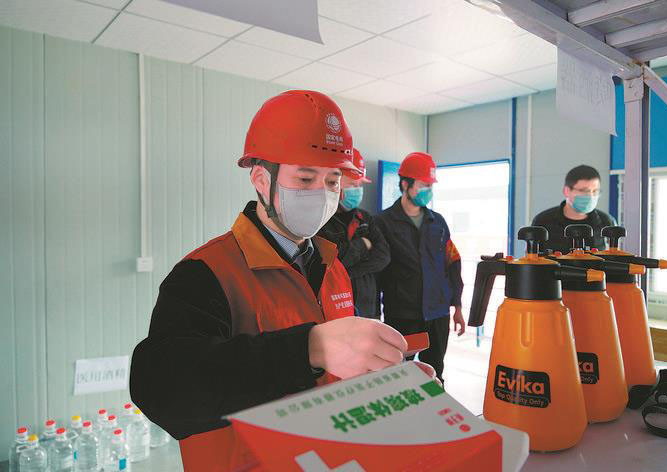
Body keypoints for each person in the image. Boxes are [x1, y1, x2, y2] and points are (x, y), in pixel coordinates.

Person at [129, 91, 428, 472]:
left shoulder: (333, 267)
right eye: (305, 177)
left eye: (332, 180)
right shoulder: (206, 272)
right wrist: (308, 349)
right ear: (261, 179)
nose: (322, 194)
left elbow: (335, 378)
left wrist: (382, 380)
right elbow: (164, 391)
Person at [376, 152, 465, 384]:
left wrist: (457, 305)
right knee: (397, 375)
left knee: (435, 374)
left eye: (430, 185)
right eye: (423, 185)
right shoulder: (383, 223)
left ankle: (435, 408)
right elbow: (376, 274)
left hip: (437, 314)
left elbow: (453, 264)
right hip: (402, 315)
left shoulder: (438, 222)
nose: (428, 190)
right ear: (405, 184)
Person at [317, 148, 390, 318]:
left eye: (360, 185)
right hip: (335, 311)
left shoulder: (365, 218)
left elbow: (383, 257)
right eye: (352, 185)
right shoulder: (320, 220)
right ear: (334, 182)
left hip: (368, 309)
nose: (357, 190)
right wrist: (363, 244)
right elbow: (330, 263)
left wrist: (348, 273)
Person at [532, 164, 616, 253]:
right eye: (584, 191)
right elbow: (532, 257)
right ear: (567, 191)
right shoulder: (543, 221)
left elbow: (614, 255)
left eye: (595, 191)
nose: (591, 196)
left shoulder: (606, 222)